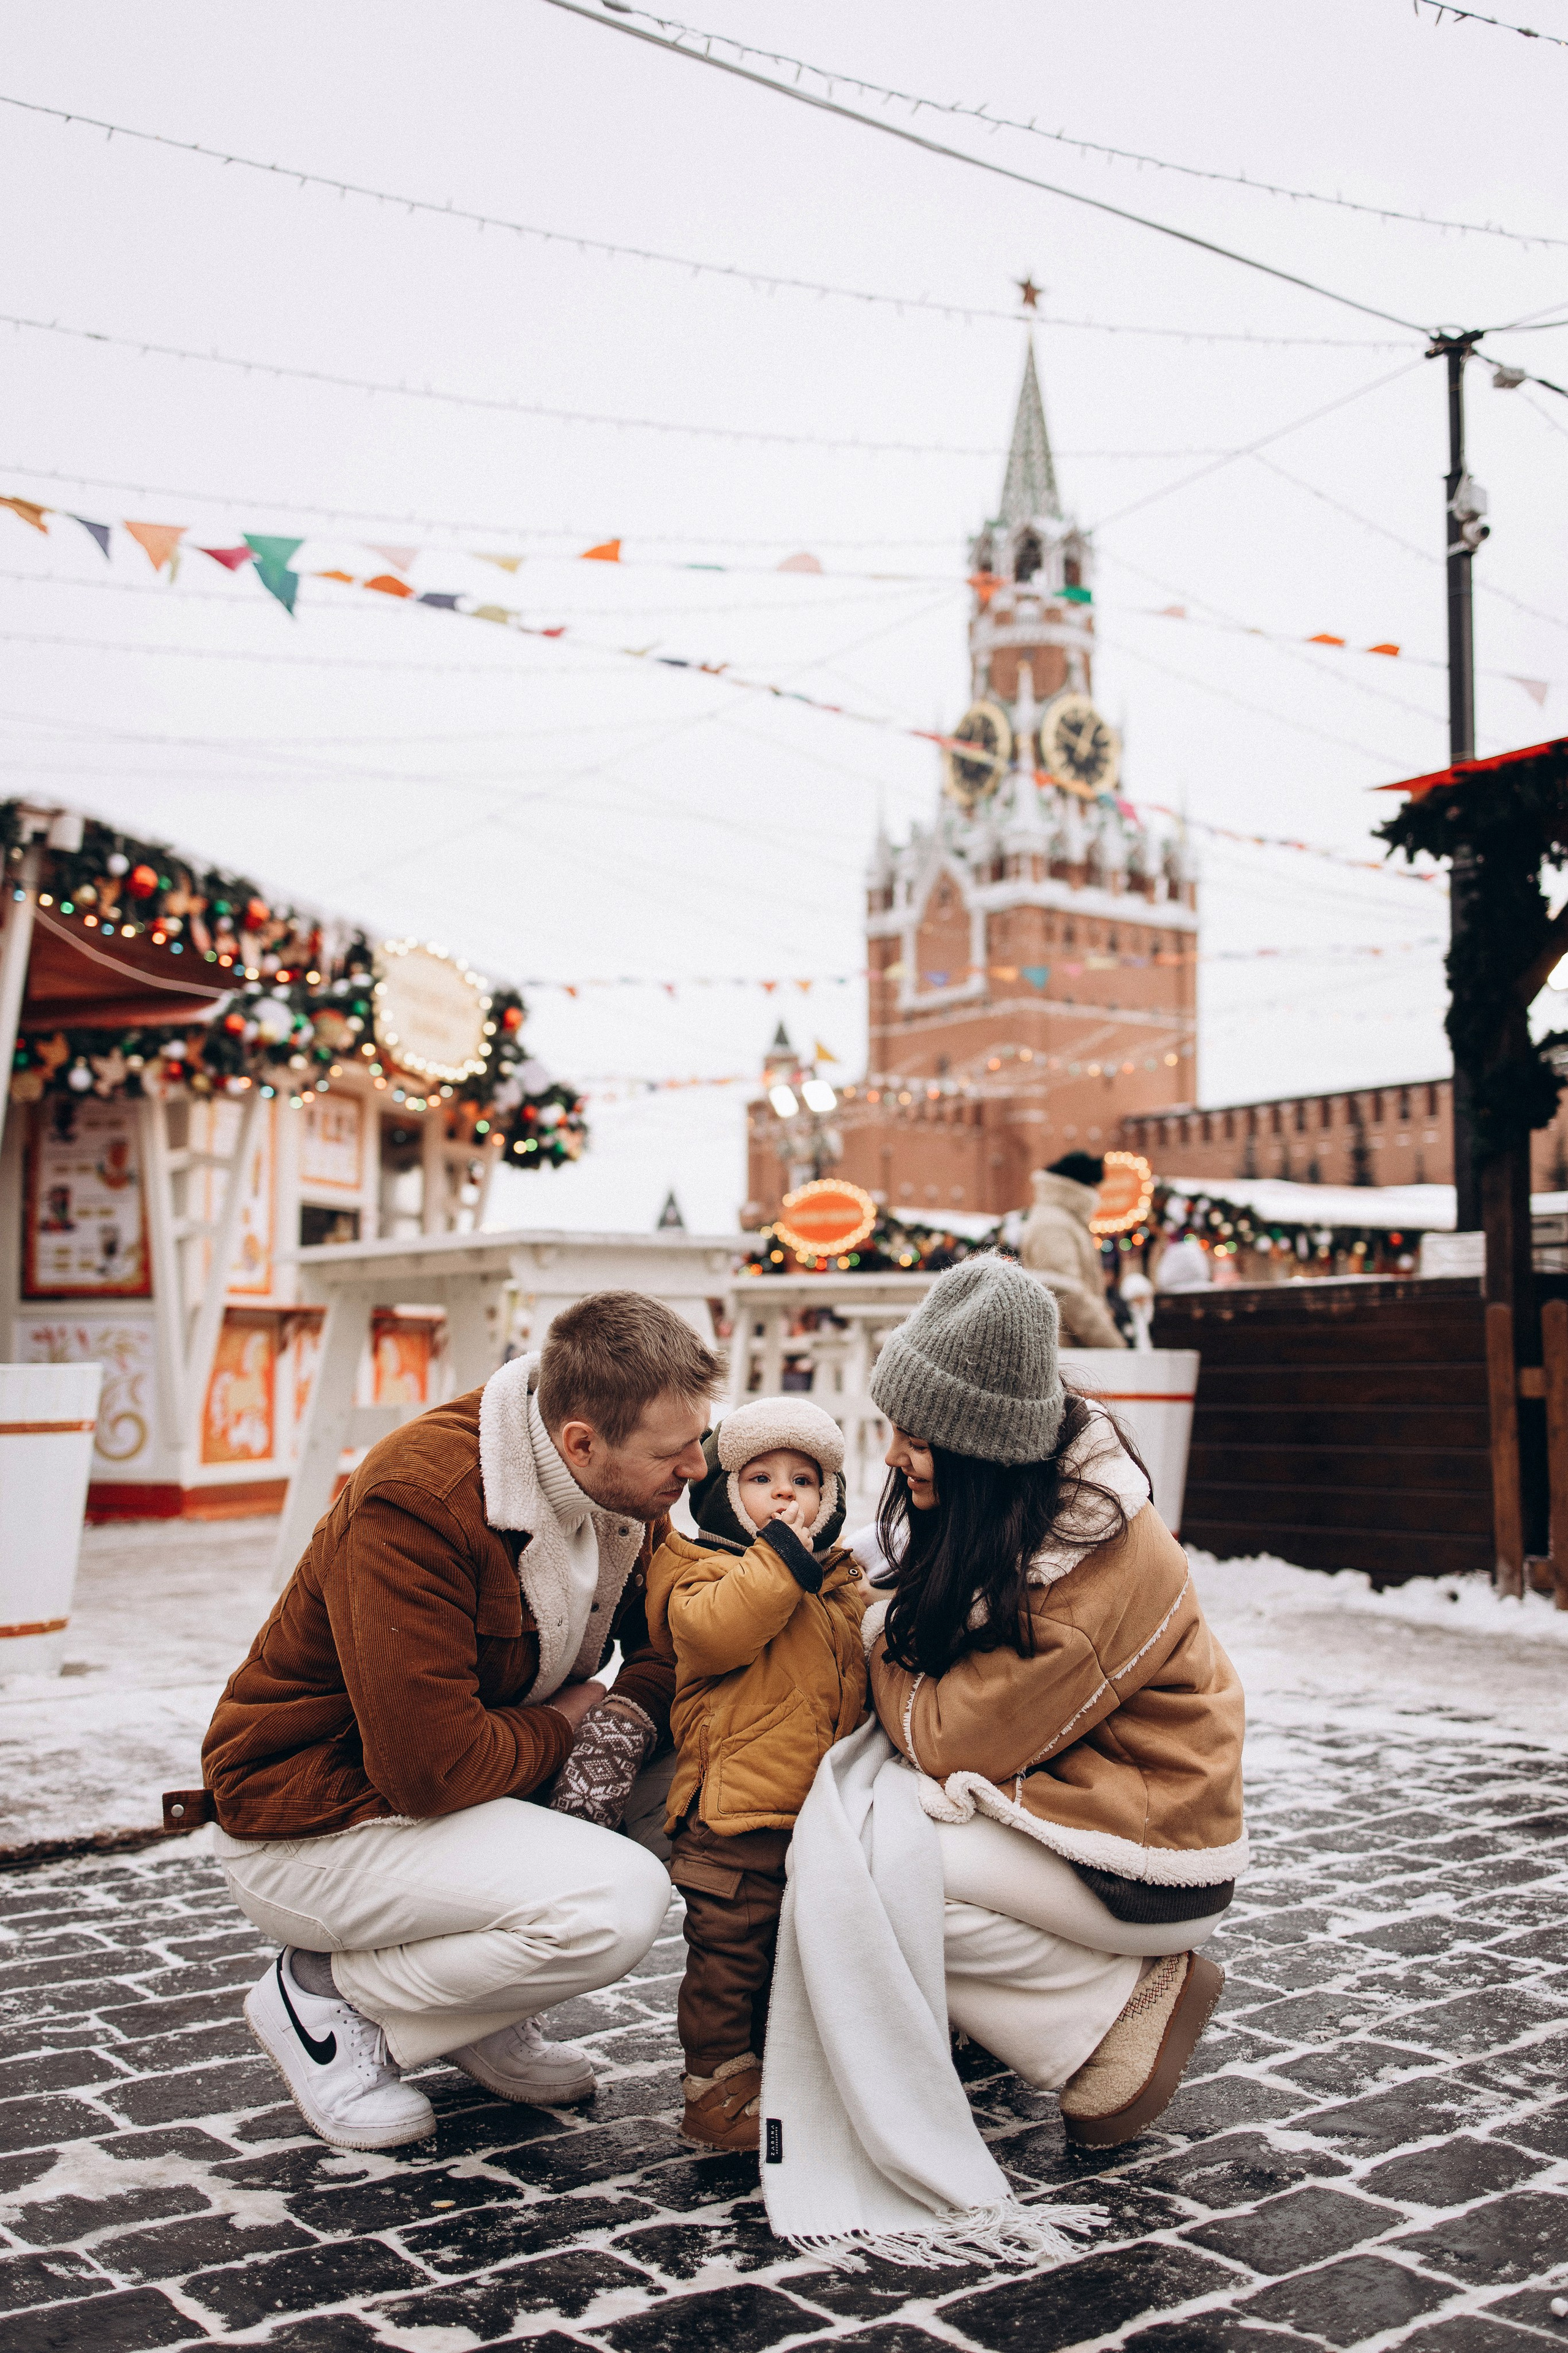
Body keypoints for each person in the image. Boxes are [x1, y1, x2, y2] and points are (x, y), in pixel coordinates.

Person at [202, 1291, 718, 2152]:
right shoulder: (419, 1500)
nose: (697, 1467)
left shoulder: (628, 1488)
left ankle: (479, 2010)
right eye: (674, 1451)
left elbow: (674, 1644)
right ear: (580, 1441)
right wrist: (568, 1722)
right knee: (613, 1903)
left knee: (717, 1782)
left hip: (480, 1784)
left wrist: (619, 1715)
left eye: (698, 1437)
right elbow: (429, 1768)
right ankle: (322, 1996)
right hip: (317, 1818)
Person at [856, 1253, 1245, 2147]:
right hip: (1088, 1799)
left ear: (980, 1450)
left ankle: (1113, 2009)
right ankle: (1002, 2010)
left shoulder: (1087, 1570)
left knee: (878, 1864)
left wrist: (873, 1636)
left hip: (1146, 1853)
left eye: (915, 1437)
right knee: (856, 1818)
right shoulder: (1029, 1504)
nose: (891, 1453)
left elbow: (948, 1733)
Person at [645, 1397, 867, 2153]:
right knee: (728, 1960)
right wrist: (781, 1558)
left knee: (793, 1951)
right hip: (729, 1818)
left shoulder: (834, 1581)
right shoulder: (697, 1572)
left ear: (828, 1499)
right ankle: (713, 2084)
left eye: (803, 1480)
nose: (784, 1494)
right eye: (760, 1477)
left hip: (811, 1814)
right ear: (720, 1490)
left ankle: (782, 2065)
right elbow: (720, 1630)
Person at [1019, 1152, 1128, 1348]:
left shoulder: (1062, 1220)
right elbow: (1067, 1293)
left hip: (1071, 1348)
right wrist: (1113, 1344)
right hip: (1066, 1351)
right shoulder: (1054, 1224)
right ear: (1083, 1186)